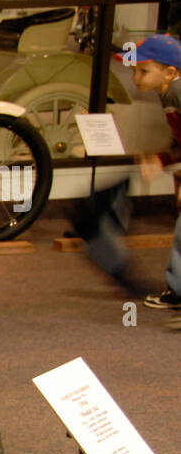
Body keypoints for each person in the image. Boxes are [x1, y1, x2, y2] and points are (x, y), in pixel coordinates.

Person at [75, 34, 181, 317]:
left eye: (144, 71)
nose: (136, 77)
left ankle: (178, 293)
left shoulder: (176, 92)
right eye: (134, 70)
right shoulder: (169, 94)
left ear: (169, 72)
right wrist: (161, 159)